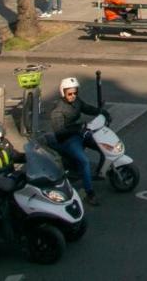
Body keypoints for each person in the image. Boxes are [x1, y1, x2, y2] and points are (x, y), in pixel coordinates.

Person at [46, 77, 103, 205]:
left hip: (79, 133)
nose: (73, 96)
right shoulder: (58, 110)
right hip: (68, 139)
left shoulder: (76, 102)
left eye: (75, 93)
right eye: (70, 94)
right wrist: (77, 130)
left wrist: (101, 112)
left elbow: (86, 108)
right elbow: (59, 131)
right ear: (63, 92)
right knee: (84, 161)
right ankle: (90, 193)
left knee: (101, 145)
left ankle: (101, 171)